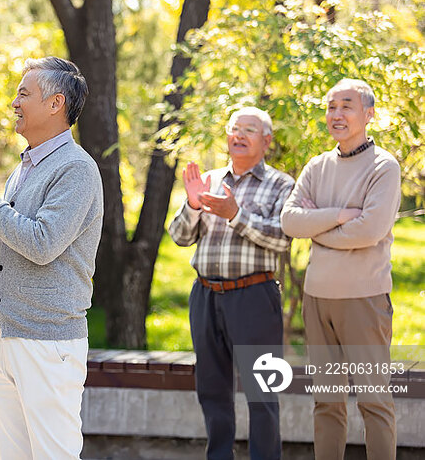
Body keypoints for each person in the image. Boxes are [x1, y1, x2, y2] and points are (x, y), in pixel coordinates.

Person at [0, 56, 103, 459]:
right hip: (7, 336)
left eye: (23, 93)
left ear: (56, 104)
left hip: (48, 343)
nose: (14, 102)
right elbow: (15, 251)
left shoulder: (76, 169)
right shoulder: (26, 166)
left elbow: (42, 243)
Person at [280, 79, 400, 460]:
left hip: (364, 299)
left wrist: (318, 229)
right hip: (317, 300)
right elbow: (290, 221)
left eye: (346, 106)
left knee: (374, 401)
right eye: (331, 107)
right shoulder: (317, 166)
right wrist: (337, 217)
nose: (336, 115)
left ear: (369, 114)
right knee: (326, 402)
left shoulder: (384, 166)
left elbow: (370, 230)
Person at [168, 107, 294, 460]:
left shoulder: (281, 184)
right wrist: (193, 205)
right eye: (234, 128)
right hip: (205, 296)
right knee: (212, 390)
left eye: (249, 130)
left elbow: (281, 239)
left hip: (254, 297)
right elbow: (178, 236)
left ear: (266, 141)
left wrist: (234, 215)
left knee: (261, 393)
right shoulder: (208, 179)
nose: (238, 135)